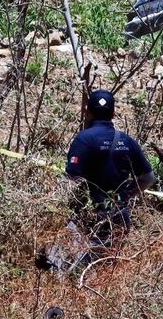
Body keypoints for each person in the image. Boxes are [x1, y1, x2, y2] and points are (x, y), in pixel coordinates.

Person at [64, 89, 155, 266]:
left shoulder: (83, 140)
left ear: (88, 111)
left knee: (78, 270)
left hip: (89, 219)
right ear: (113, 113)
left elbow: (71, 181)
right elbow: (149, 177)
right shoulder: (127, 141)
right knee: (108, 269)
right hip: (119, 217)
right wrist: (126, 195)